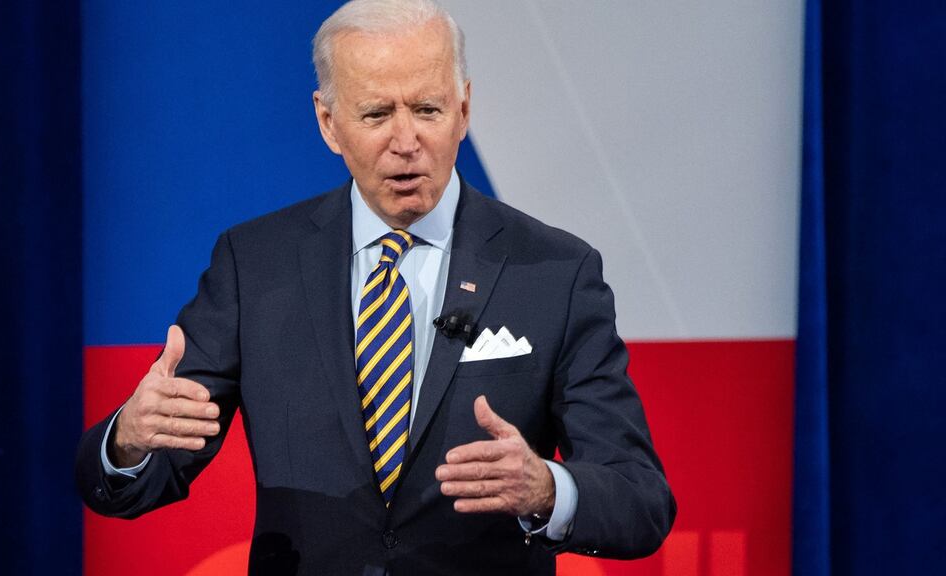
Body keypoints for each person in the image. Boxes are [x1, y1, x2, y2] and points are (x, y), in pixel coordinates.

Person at [75, 0, 675, 573]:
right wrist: (127, 441)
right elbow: (135, 481)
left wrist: (546, 488)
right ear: (328, 123)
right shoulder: (254, 265)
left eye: (428, 109)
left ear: (464, 109)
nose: (406, 140)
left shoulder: (555, 272)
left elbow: (640, 500)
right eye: (376, 114)